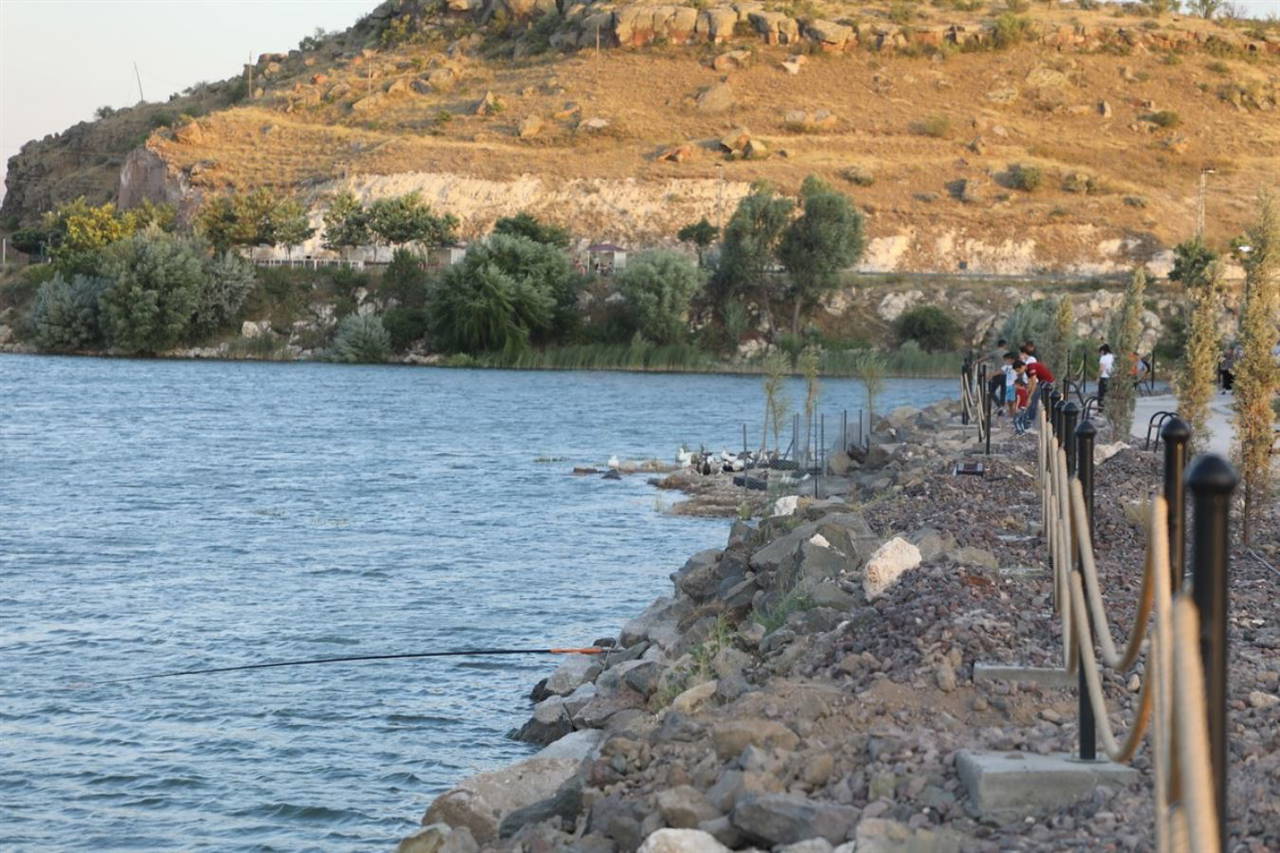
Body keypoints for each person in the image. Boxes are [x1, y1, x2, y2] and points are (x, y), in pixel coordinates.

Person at [1015, 358, 1055, 435]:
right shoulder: (1027, 369)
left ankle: (1031, 422)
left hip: (1048, 383)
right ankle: (1029, 421)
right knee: (1032, 399)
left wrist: (1029, 397)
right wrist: (1027, 392)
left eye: (1018, 370)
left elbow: (1034, 384)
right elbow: (1030, 383)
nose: (1018, 373)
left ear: (1022, 366)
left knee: (1033, 400)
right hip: (1042, 383)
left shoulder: (1031, 368)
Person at [1097, 344, 1114, 411]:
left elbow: (1101, 369)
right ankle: (1109, 409)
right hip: (1111, 377)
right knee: (1109, 394)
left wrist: (1098, 377)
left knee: (1101, 395)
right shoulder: (1112, 356)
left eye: (1100, 352)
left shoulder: (1103, 358)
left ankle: (1100, 410)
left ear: (1103, 351)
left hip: (1104, 377)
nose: (1100, 354)